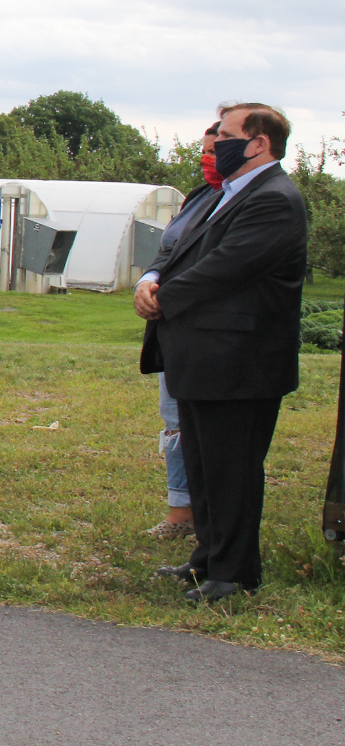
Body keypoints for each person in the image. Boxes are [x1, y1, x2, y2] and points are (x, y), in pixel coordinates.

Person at [138, 103, 307, 602]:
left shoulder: (273, 198)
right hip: (204, 354)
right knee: (205, 465)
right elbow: (182, 249)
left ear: (259, 143)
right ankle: (207, 559)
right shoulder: (225, 193)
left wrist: (163, 299)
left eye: (228, 136)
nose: (217, 144)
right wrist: (151, 280)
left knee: (232, 468)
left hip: (240, 359)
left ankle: (234, 574)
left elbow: (228, 266)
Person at [142, 123, 223, 539]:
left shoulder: (247, 201)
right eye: (204, 151)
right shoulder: (199, 196)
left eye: (217, 150)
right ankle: (181, 510)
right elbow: (169, 248)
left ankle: (211, 516)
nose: (209, 158)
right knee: (174, 418)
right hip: (173, 326)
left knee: (209, 426)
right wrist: (150, 278)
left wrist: (168, 295)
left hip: (211, 330)